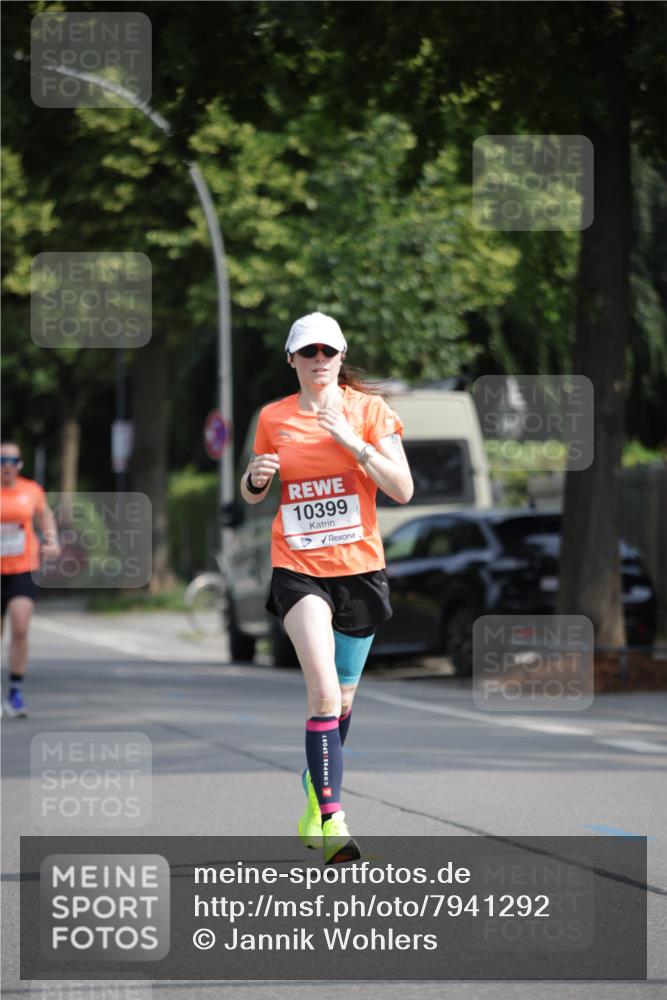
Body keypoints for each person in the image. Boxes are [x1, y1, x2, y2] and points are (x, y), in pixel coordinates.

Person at [240, 313, 413, 864]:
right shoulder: (274, 417)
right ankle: (335, 819)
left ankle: (316, 799)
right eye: (307, 351)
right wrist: (256, 479)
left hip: (359, 569)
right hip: (298, 568)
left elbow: (403, 489)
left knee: (342, 704)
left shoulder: (369, 412)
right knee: (322, 693)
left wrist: (353, 443)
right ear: (291, 359)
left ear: (341, 357)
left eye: (328, 352)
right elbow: (252, 490)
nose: (319, 360)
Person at [1, 440, 61, 717]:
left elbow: (44, 515)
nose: (7, 466)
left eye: (12, 461)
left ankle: (15, 692)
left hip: (24, 567)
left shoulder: (31, 490)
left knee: (21, 627)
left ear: (20, 465)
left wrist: (51, 539)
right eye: (2, 460)